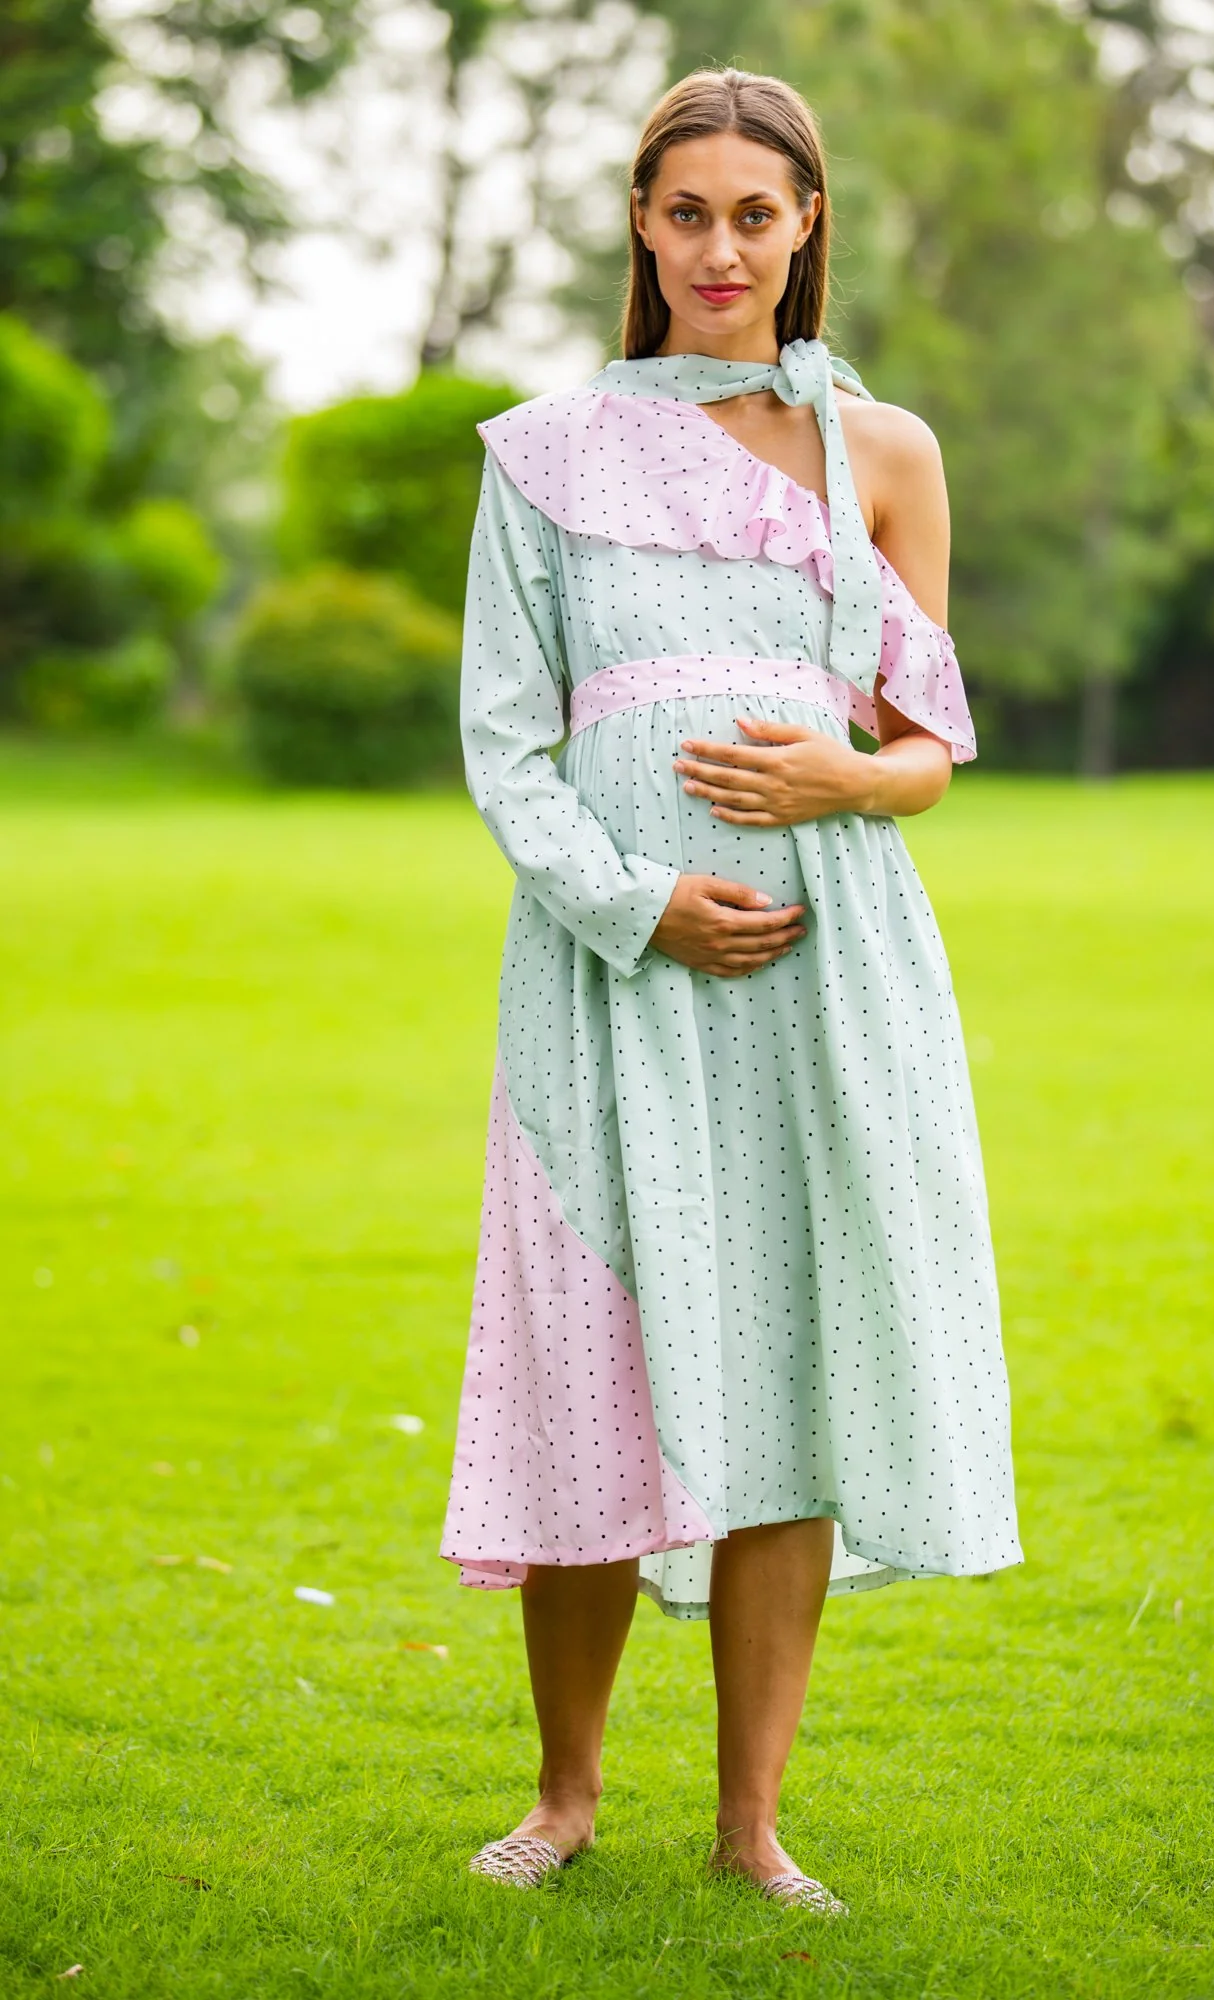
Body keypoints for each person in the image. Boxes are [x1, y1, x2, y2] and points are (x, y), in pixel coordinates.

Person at [440, 64, 1022, 1916]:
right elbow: (504, 742)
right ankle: (565, 1797)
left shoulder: (887, 453)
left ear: (806, 227)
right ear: (640, 222)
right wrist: (637, 905)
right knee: (590, 1361)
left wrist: (843, 779)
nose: (719, 248)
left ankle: (752, 1825)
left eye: (753, 216)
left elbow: (925, 751)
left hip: (830, 968)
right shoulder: (545, 454)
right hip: (610, 973)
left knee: (789, 1352)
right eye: (685, 212)